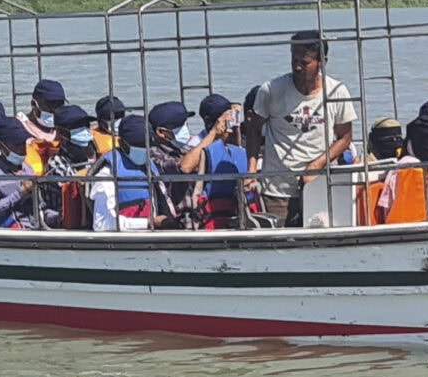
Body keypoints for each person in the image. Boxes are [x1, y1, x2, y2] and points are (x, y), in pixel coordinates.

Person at [245, 30, 358, 227]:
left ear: (322, 62)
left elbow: (345, 138)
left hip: (320, 185)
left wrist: (317, 164)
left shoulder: (337, 91)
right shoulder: (272, 90)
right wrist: (252, 170)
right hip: (277, 189)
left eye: (305, 63)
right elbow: (253, 129)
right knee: (278, 244)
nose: (297, 67)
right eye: (294, 60)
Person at [181, 94, 253, 230]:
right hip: (209, 214)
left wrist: (235, 130)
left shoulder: (230, 142)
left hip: (233, 209)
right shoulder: (196, 144)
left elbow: (237, 156)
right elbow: (185, 167)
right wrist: (214, 132)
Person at [89, 114, 156, 232]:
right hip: (130, 237)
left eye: (146, 145)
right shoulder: (108, 173)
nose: (143, 149)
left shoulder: (152, 168)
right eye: (138, 145)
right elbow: (101, 223)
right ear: (121, 143)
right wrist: (147, 223)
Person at [144, 101, 200, 228]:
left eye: (185, 123)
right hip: (178, 222)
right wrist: (212, 133)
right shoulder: (154, 155)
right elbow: (183, 167)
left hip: (200, 218)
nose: (185, 128)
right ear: (161, 132)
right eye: (179, 125)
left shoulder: (186, 149)